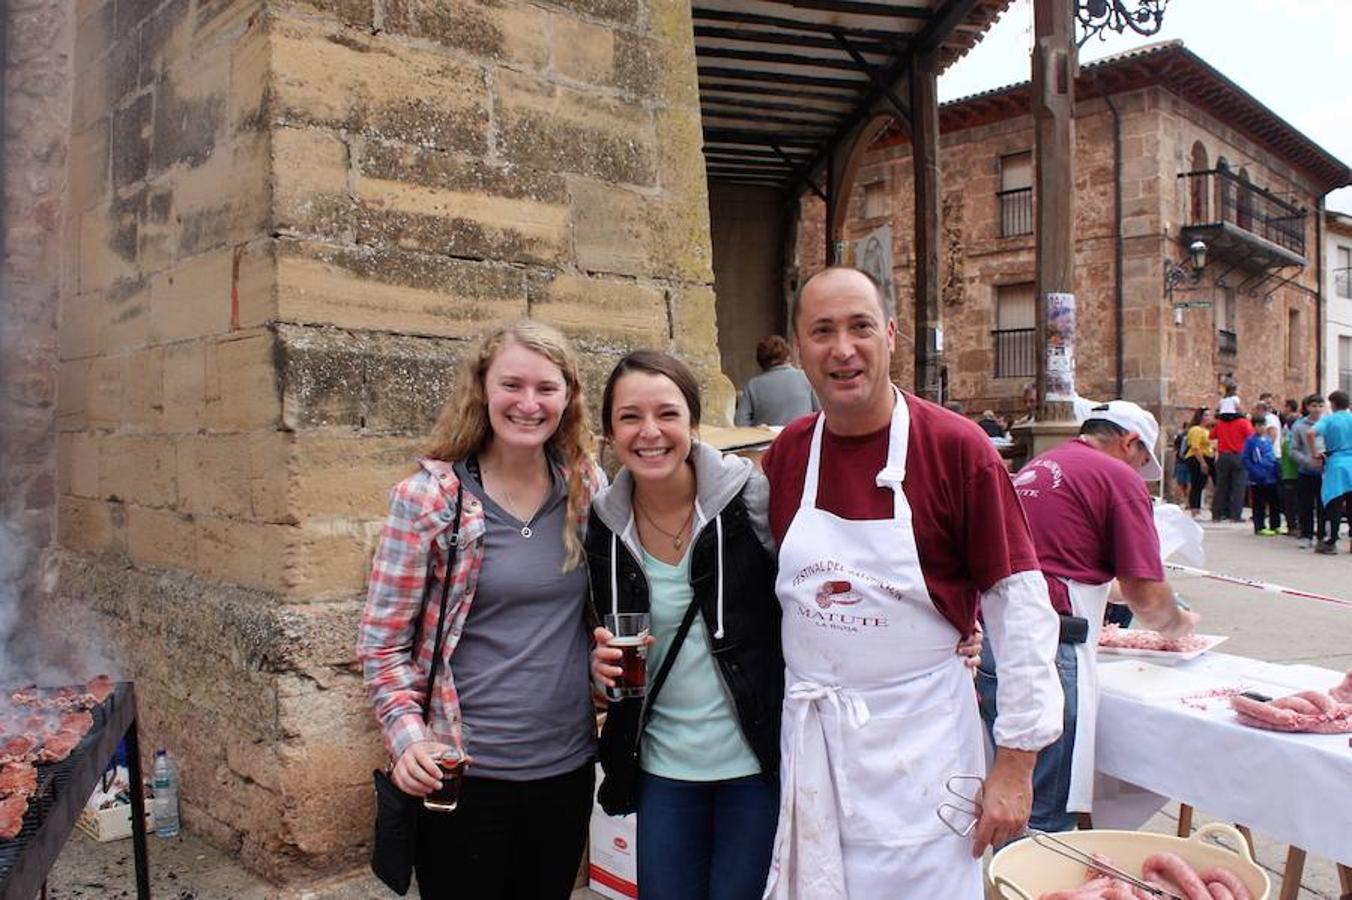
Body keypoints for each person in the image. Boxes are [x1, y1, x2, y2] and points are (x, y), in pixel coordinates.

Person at [759, 267, 1063, 898]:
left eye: (860, 327)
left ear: (890, 334)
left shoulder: (957, 448)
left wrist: (1015, 763)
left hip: (922, 754)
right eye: (822, 331)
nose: (843, 349)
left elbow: (1022, 607)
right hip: (814, 747)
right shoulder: (788, 452)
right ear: (799, 346)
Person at [357, 320, 605, 899]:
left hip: (564, 768)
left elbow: (591, 621)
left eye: (546, 388)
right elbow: (382, 645)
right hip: (463, 774)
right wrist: (408, 740)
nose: (528, 403)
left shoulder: (587, 489)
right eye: (511, 385)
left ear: (568, 396)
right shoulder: (428, 502)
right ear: (482, 390)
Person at [588, 350, 784, 900]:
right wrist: (597, 666)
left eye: (667, 414)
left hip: (754, 761)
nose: (650, 432)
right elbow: (594, 635)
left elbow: (820, 583)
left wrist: (947, 622)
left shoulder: (751, 498)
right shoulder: (604, 525)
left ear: (693, 424)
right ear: (610, 431)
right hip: (662, 765)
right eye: (630, 417)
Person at [983, 401, 1200, 832]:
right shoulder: (1118, 477)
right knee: (1041, 813)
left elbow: (1070, 562)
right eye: (1142, 460)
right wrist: (1177, 625)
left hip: (996, 639)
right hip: (1050, 648)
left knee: (1006, 795)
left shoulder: (1042, 466)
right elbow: (1144, 592)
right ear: (1130, 442)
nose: (1140, 472)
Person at [734, 335, 818, 426]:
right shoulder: (807, 378)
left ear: (760, 361)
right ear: (788, 356)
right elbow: (821, 413)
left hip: (768, 439)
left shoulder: (753, 386)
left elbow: (740, 422)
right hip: (804, 438)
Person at [1312, 389, 1352, 554]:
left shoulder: (1329, 420)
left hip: (1336, 463)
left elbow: (1311, 433)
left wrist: (1314, 452)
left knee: (1334, 504)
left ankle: (1331, 541)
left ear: (1333, 404)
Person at [1289, 394, 1325, 549]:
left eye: (1320, 405)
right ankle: (1306, 534)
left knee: (1324, 505)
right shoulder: (1299, 426)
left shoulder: (1327, 423)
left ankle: (1323, 535)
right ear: (1308, 407)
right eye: (1314, 405)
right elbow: (1293, 450)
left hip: (1325, 471)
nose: (1317, 409)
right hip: (1306, 470)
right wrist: (1307, 461)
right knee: (1306, 505)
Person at [1210, 400, 1254, 522]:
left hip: (1223, 456)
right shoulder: (1243, 422)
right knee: (1238, 487)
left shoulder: (1220, 423)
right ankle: (1235, 515)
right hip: (1238, 456)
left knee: (1221, 486)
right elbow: (1251, 436)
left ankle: (1217, 514)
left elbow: (1211, 436)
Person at [1242, 413, 1279, 535]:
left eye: (1263, 425)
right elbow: (1246, 458)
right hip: (1257, 477)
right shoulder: (1250, 441)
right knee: (1259, 503)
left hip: (1271, 476)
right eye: (1258, 425)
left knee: (1274, 502)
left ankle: (1275, 525)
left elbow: (1271, 456)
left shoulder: (1267, 440)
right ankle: (1260, 526)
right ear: (1253, 427)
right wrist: (1254, 471)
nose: (1261, 428)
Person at [1183, 407, 1215, 518]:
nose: (1208, 418)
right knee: (1196, 484)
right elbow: (1195, 447)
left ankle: (1199, 508)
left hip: (1207, 457)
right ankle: (1195, 510)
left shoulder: (1207, 431)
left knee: (1202, 484)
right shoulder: (1196, 430)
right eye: (1206, 415)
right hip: (1196, 458)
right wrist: (1202, 462)